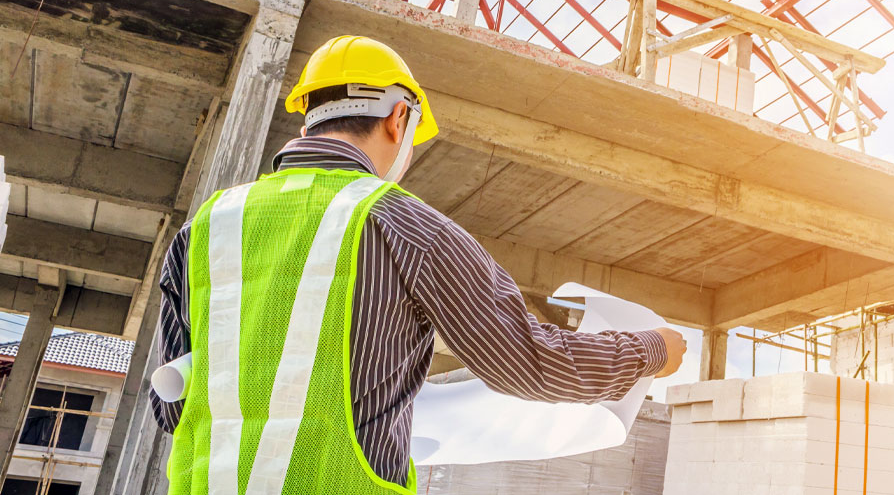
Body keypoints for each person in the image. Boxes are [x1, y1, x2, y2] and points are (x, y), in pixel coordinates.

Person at [150, 35, 686, 493]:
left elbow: (172, 407)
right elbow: (530, 362)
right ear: (398, 117)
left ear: (310, 114)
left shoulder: (208, 227)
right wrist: (650, 350)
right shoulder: (410, 230)